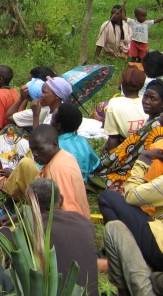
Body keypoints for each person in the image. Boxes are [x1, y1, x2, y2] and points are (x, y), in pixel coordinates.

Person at [0, 179, 98, 296]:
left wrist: (5, 231)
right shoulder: (84, 221)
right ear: (61, 200)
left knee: (4, 233)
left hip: (54, 292)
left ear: (31, 205)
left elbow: (16, 251)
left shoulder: (33, 228)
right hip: (89, 292)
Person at [99, 142, 163, 276]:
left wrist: (143, 158)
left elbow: (131, 196)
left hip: (159, 252)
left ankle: (125, 261)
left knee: (108, 198)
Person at [2, 125, 90, 218]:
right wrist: (17, 217)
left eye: (39, 149)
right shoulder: (63, 155)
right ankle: (9, 207)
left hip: (70, 223)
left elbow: (66, 211)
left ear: (54, 145)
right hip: (73, 218)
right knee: (25, 163)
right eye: (32, 150)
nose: (35, 154)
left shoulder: (57, 169)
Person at [91, 79, 163, 192]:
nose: (146, 101)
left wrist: (110, 161)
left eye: (153, 99)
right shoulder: (152, 120)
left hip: (139, 171)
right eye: (145, 97)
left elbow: (137, 152)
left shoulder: (157, 127)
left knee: (96, 177)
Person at [51, 104, 100, 183]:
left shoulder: (55, 145)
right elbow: (96, 165)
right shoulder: (82, 140)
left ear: (58, 126)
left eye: (51, 119)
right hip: (83, 185)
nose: (50, 122)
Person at [103, 67, 148, 151]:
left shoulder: (114, 103)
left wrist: (111, 160)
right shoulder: (147, 102)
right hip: (147, 145)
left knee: (106, 146)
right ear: (141, 85)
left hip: (126, 146)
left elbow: (113, 137)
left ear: (122, 83)